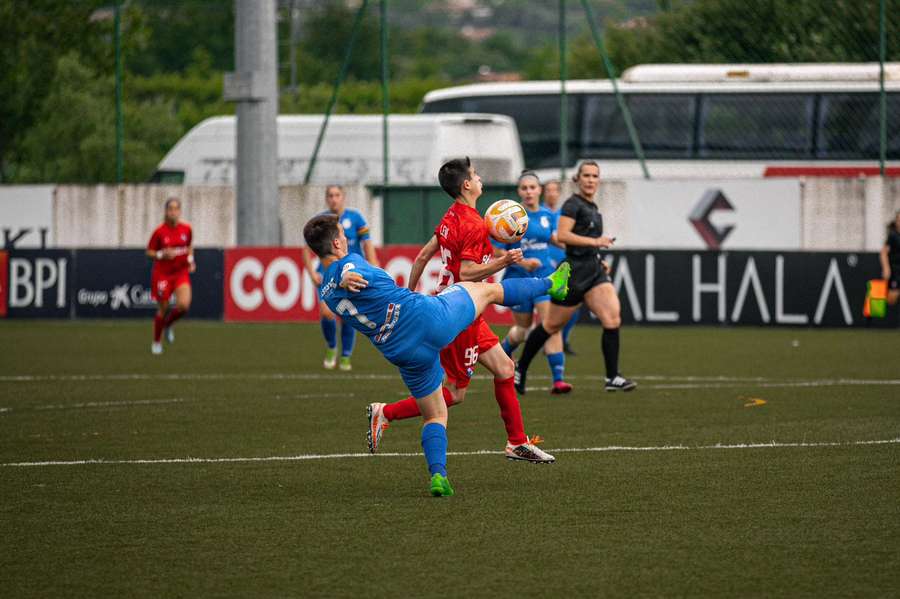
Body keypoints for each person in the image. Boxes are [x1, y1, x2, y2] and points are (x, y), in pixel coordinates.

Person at [303, 213, 571, 496]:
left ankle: (439, 477)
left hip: (400, 351)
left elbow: (342, 279)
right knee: (486, 291)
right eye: (343, 237)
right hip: (427, 321)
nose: (346, 240)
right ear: (336, 243)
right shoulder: (350, 263)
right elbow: (349, 269)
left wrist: (343, 278)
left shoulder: (325, 291)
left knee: (436, 415)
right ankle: (551, 284)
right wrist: (347, 274)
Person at [367, 158, 556, 463]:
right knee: (453, 393)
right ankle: (385, 412)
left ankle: (517, 442)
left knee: (506, 369)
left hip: (460, 308)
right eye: (476, 175)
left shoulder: (451, 217)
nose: (480, 178)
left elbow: (423, 256)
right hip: (459, 314)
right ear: (466, 184)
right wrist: (505, 261)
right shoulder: (474, 224)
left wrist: (409, 292)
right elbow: (468, 273)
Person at [515, 161, 637, 393]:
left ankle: (613, 377)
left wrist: (597, 256)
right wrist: (595, 242)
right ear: (577, 179)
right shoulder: (572, 205)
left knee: (612, 318)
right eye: (586, 175)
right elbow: (563, 235)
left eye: (595, 176)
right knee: (551, 325)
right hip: (574, 272)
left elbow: (584, 240)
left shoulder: (592, 207)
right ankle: (521, 368)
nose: (591, 180)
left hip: (593, 269)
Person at [496, 171, 572, 394]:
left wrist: (580, 252)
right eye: (524, 188)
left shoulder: (547, 216)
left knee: (551, 323)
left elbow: (555, 240)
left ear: (540, 190)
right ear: (518, 191)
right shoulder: (511, 216)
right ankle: (504, 349)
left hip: (545, 277)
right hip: (519, 277)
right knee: (523, 328)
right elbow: (497, 247)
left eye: (532, 187)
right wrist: (522, 260)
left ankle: (558, 379)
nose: (528, 192)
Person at [302, 185, 379, 371]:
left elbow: (367, 244)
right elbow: (306, 248)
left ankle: (346, 356)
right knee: (327, 312)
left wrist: (374, 266)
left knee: (347, 315)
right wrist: (312, 273)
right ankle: (331, 347)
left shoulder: (356, 218)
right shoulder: (322, 221)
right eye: (330, 195)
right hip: (327, 273)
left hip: (352, 273)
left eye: (337, 195)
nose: (333, 199)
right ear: (326, 199)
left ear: (343, 197)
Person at [146, 197, 195, 355]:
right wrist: (161, 254)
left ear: (180, 211)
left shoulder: (186, 229)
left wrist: (191, 260)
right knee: (163, 308)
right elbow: (149, 252)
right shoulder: (159, 232)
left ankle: (168, 325)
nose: (173, 212)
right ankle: (156, 341)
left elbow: (189, 247)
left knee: (184, 305)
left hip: (180, 273)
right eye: (170, 209)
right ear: (166, 212)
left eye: (176, 209)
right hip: (162, 275)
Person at [543, 179, 580, 356]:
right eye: (548, 190)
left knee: (573, 306)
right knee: (549, 308)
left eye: (554, 190)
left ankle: (563, 341)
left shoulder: (563, 215)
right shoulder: (540, 213)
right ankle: (548, 341)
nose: (551, 193)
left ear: (558, 193)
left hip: (565, 265)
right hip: (546, 266)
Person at [880, 210, 900, 307]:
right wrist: (886, 268)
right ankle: (876, 300)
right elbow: (883, 253)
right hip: (895, 271)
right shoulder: (893, 236)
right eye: (899, 220)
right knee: (891, 300)